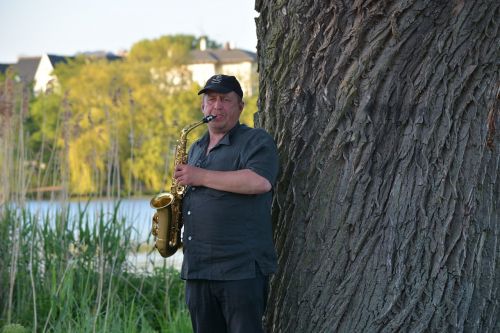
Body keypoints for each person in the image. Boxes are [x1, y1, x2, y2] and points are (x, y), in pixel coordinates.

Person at [173, 74, 279, 333]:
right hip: (198, 270)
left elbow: (260, 182)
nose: (217, 106)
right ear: (203, 107)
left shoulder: (255, 140)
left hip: (240, 269)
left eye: (225, 100)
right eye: (211, 100)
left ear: (240, 107)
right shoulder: (196, 148)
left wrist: (200, 176)